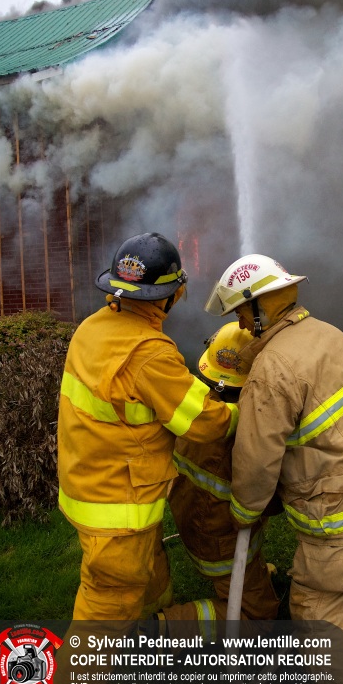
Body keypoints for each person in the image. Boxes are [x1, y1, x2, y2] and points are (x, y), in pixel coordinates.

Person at [205, 254, 343, 661]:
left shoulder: (272, 369)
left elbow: (256, 458)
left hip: (341, 511)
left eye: (241, 314)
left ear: (260, 307)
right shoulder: (330, 334)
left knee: (320, 610)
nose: (241, 325)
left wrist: (245, 512)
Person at [57, 232, 239, 623]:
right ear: (169, 295)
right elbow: (204, 423)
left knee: (148, 566)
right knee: (107, 606)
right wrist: (243, 412)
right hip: (118, 509)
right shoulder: (148, 353)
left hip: (87, 482)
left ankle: (152, 623)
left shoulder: (93, 327)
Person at [157, 321, 279, 630]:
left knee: (255, 582)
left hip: (194, 522)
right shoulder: (246, 433)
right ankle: (163, 628)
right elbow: (270, 500)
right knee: (258, 617)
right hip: (221, 543)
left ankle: (253, 576)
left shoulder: (199, 408)